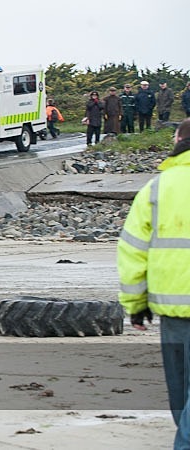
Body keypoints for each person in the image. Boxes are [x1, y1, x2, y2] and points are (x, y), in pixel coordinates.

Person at [117, 117, 190, 449]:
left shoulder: (157, 188)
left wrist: (135, 305)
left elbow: (133, 251)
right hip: (172, 309)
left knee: (179, 391)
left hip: (172, 310)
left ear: (177, 140)